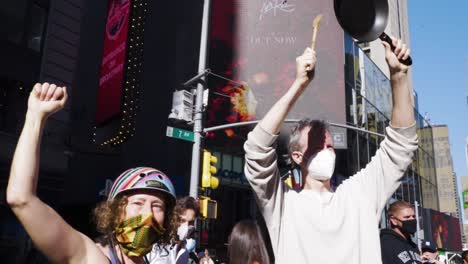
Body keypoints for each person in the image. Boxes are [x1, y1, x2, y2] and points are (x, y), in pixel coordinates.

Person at [243, 37, 417, 263]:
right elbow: (257, 148)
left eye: (330, 146)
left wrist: (399, 76)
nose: (327, 152)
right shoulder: (283, 205)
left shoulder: (359, 195)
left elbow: (401, 145)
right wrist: (299, 85)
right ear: (297, 156)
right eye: (317, 146)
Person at [6, 83, 176, 264]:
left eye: (157, 206)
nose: (147, 215)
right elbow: (21, 199)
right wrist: (35, 117)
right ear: (116, 211)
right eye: (138, 203)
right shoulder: (95, 258)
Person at [147, 196, 200, 264]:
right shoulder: (156, 245)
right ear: (174, 218)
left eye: (191, 222)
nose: (186, 226)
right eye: (182, 220)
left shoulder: (186, 249)